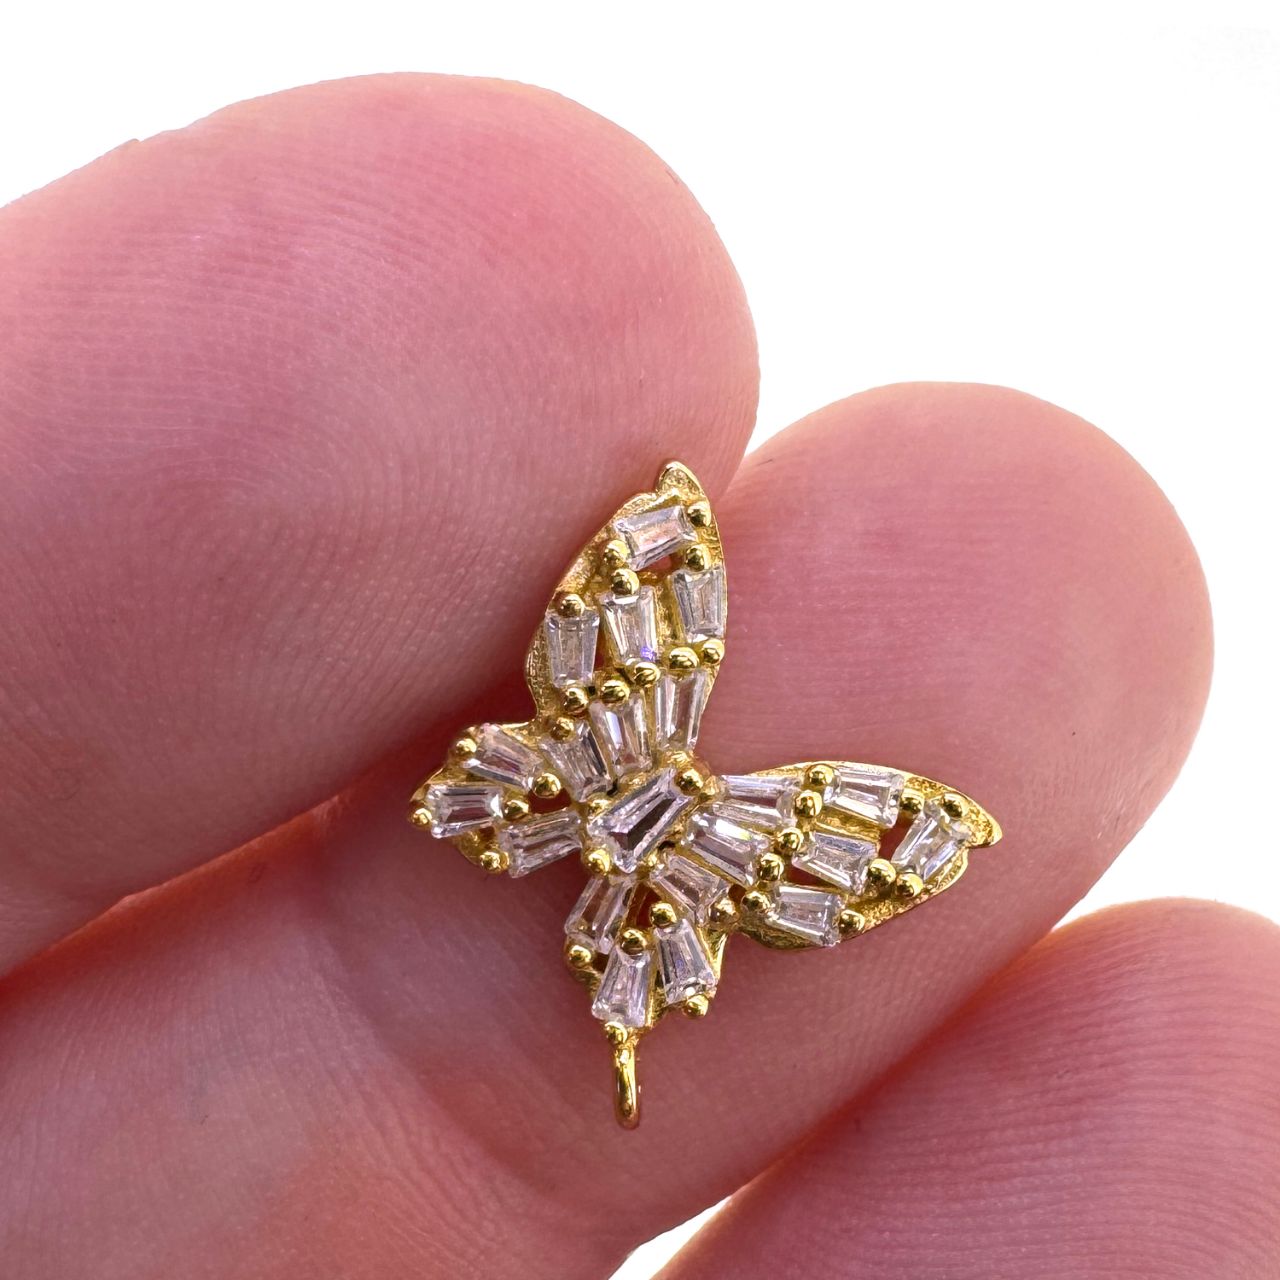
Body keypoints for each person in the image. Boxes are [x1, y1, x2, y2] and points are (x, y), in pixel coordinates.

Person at [1, 74, 1271, 1279]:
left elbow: (896, 825)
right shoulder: (677, 705)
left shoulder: (699, 761)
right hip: (612, 796)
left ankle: (606, 992)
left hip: (631, 822)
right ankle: (567, 940)